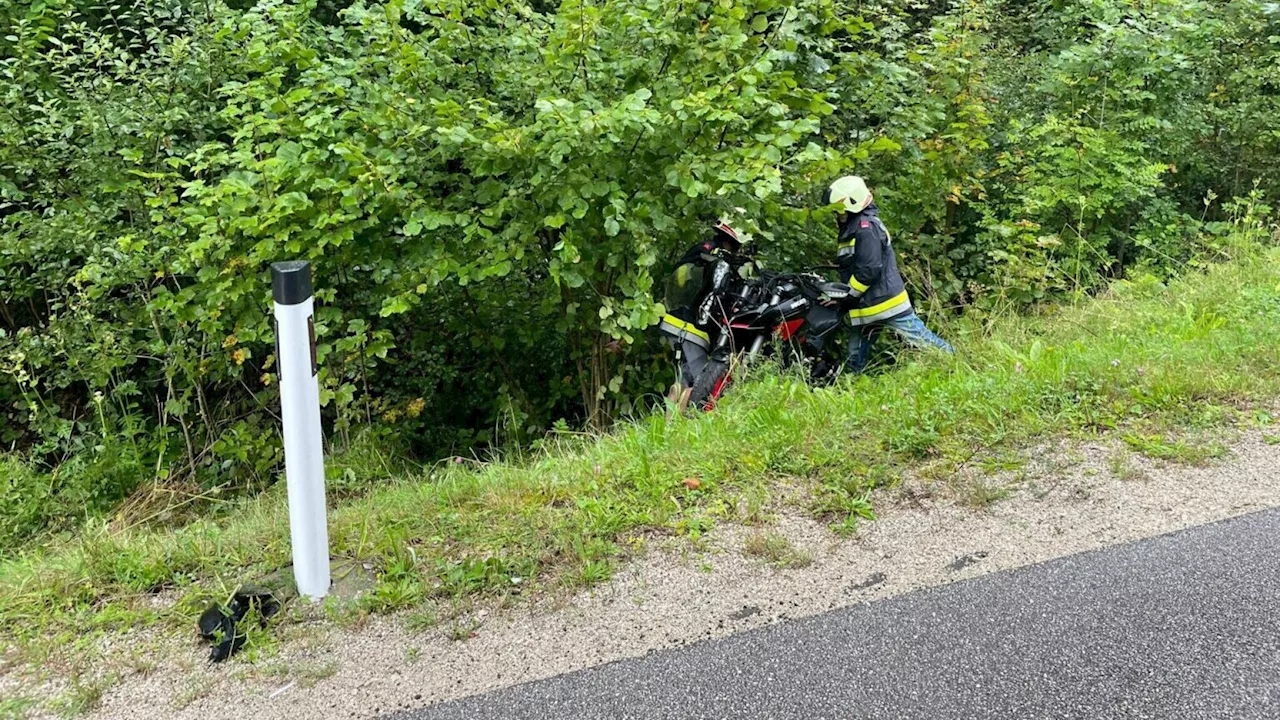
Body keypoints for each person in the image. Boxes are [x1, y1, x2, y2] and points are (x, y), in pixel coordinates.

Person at [822, 175, 953, 375]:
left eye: (839, 210)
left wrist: (848, 297)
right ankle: (850, 389)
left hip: (885, 303)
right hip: (866, 306)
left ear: (852, 204)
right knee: (854, 355)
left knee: (922, 339)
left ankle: (959, 362)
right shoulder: (854, 228)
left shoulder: (866, 229)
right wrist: (842, 298)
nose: (837, 215)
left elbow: (869, 269)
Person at [659, 218, 754, 388]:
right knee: (701, 384)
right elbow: (716, 294)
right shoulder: (719, 262)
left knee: (682, 381)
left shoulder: (701, 252)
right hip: (691, 328)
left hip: (673, 320)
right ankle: (695, 414)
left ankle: (673, 415)